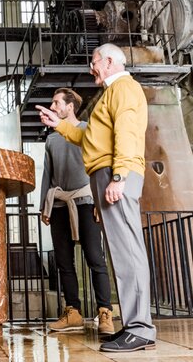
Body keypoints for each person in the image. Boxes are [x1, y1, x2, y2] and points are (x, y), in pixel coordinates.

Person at [36, 43, 156, 353]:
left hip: (115, 175)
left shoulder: (125, 89)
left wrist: (119, 177)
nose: (92, 68)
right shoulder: (110, 94)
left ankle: (140, 329)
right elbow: (88, 139)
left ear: (110, 61)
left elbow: (128, 133)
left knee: (128, 251)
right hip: (106, 173)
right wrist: (58, 125)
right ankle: (133, 326)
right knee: (121, 253)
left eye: (94, 62)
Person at [40, 88, 113, 334]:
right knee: (64, 261)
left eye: (56, 102)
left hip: (86, 200)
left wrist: (100, 203)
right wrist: (44, 206)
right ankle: (73, 312)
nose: (52, 106)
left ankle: (105, 312)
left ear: (70, 106)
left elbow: (98, 165)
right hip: (59, 203)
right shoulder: (51, 139)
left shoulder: (86, 129)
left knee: (95, 257)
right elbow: (47, 174)